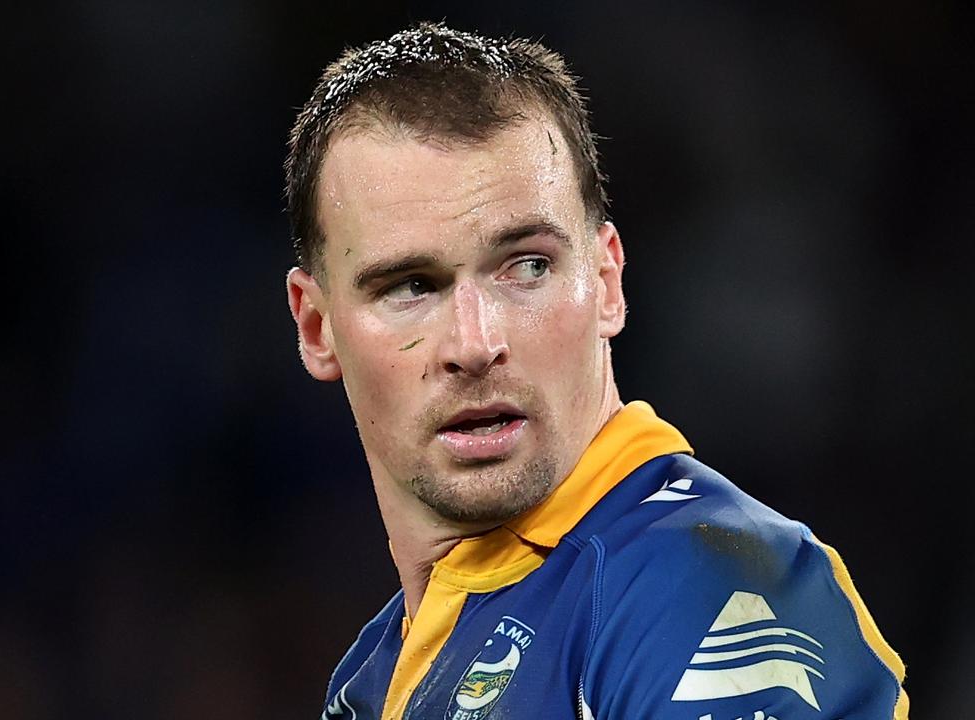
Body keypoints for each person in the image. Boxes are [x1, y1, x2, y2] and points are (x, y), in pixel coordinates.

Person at [284, 22, 908, 720]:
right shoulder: (370, 680)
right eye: (409, 286)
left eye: (526, 266)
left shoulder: (707, 592)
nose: (473, 342)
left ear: (607, 281)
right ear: (317, 327)